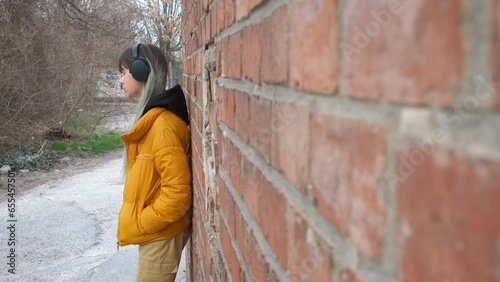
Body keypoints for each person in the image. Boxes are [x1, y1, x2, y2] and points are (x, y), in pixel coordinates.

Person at [116, 42, 192, 282]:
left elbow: (178, 194)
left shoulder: (163, 126)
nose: (120, 80)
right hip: (156, 233)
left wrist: (142, 222)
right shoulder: (153, 120)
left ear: (141, 72)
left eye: (123, 72)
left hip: (160, 235)